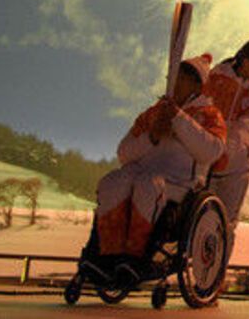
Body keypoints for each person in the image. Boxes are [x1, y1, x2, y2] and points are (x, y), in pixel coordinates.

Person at [88, 55, 226, 284]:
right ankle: (106, 256)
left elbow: (211, 151)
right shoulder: (152, 113)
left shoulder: (209, 115)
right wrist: (152, 136)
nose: (175, 83)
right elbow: (124, 153)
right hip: (141, 174)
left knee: (148, 187)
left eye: (182, 79)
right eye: (174, 77)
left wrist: (179, 119)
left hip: (181, 184)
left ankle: (136, 258)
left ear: (196, 85)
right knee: (112, 183)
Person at [203, 39, 249, 234]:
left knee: (226, 224)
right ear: (246, 62)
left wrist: (229, 153)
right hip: (205, 155)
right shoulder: (215, 79)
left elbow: (243, 131)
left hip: (235, 167)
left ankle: (217, 259)